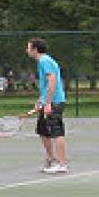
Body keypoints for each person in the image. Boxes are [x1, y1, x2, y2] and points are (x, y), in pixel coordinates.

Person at [26, 39, 68, 173]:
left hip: (55, 102)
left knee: (56, 132)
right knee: (43, 131)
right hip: (48, 101)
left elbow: (53, 82)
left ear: (35, 49)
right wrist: (41, 100)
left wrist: (49, 102)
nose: (27, 50)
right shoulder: (42, 62)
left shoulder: (45, 61)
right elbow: (46, 86)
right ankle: (52, 159)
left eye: (28, 48)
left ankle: (62, 164)